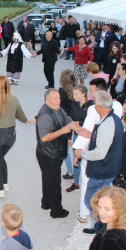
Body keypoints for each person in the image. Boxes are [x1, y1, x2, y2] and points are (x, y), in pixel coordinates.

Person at [74, 91, 124, 234]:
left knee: (92, 199)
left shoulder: (107, 124)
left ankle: (103, 226)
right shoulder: (112, 119)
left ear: (100, 106)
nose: (94, 105)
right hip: (107, 168)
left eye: (95, 103)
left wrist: (81, 154)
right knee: (98, 199)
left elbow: (100, 153)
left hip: (103, 170)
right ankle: (100, 226)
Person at [36, 89, 80, 218]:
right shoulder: (45, 115)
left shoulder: (58, 109)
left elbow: (69, 120)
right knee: (55, 182)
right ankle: (57, 211)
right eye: (55, 98)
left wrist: (80, 130)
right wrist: (64, 130)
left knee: (47, 178)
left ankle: (46, 202)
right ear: (46, 101)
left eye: (59, 98)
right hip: (48, 154)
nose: (58, 101)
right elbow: (44, 137)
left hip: (54, 152)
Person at [64, 85, 94, 192]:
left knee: (88, 161)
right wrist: (68, 137)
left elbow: (92, 122)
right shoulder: (74, 104)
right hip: (77, 136)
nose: (73, 96)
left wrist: (79, 123)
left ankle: (89, 184)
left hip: (88, 137)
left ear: (83, 94)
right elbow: (71, 120)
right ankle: (76, 183)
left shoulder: (91, 106)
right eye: (73, 94)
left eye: (76, 94)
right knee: (76, 159)